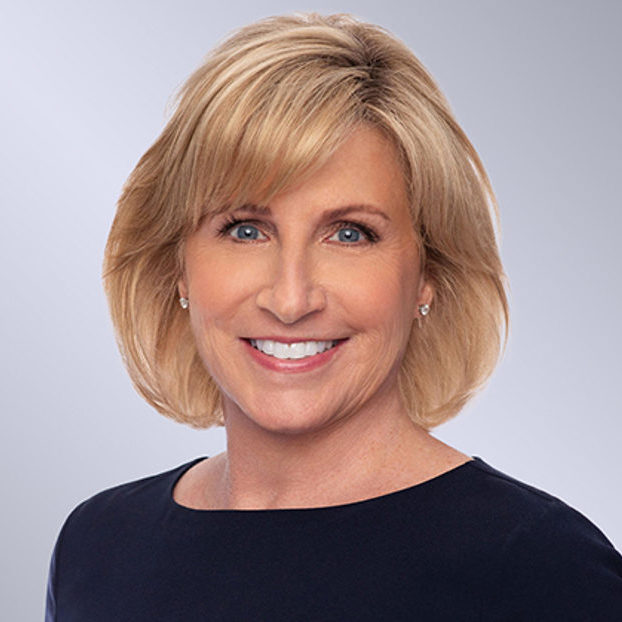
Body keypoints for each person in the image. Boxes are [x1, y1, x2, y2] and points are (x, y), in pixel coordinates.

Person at [45, 13, 622, 621]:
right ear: (178, 267)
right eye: (246, 230)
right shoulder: (98, 546)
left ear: (428, 273)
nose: (291, 299)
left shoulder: (540, 570)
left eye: (350, 234)